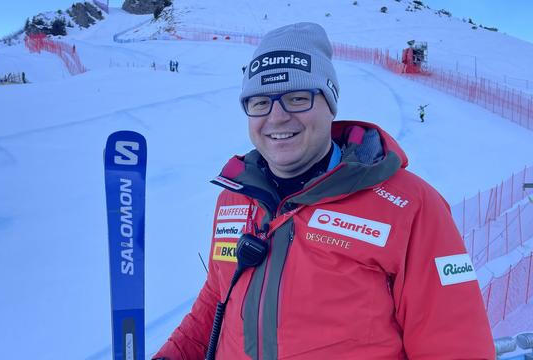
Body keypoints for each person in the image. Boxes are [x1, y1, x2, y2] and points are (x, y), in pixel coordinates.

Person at [153, 22, 494, 359]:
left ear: (330, 105)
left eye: (297, 98)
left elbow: (455, 344)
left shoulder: (411, 206)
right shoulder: (234, 198)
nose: (277, 118)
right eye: (259, 103)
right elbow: (217, 295)